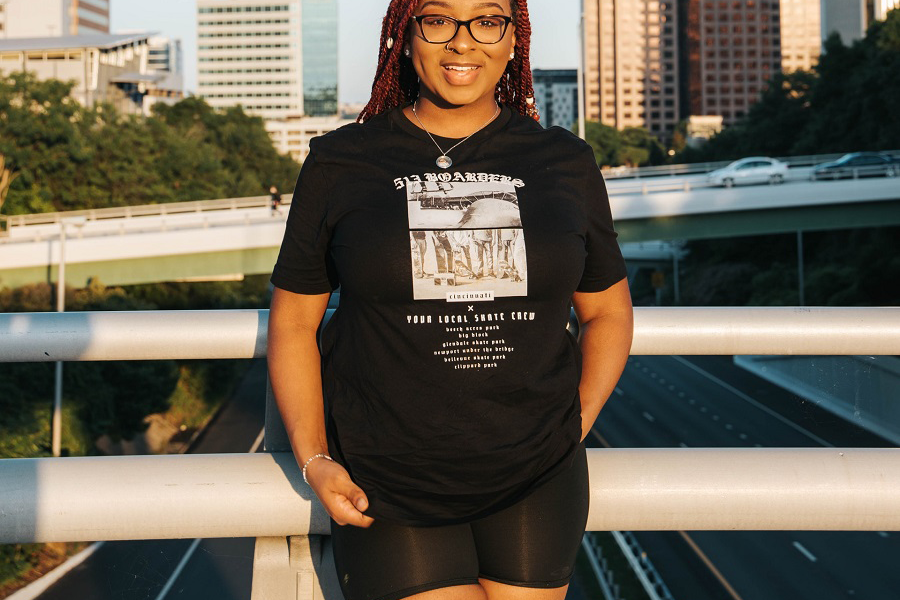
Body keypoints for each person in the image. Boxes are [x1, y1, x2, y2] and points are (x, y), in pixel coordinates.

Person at [267, 1, 633, 600]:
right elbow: (293, 324)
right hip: (386, 479)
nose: (463, 42)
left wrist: (575, 422)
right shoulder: (340, 161)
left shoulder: (566, 161)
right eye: (438, 20)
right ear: (404, 36)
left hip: (538, 475)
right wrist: (314, 459)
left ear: (514, 41)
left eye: (487, 21)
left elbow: (608, 312)